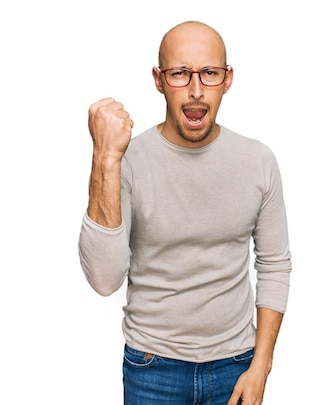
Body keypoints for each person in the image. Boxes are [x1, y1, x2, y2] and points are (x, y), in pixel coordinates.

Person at [78, 20, 292, 405]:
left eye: (209, 73)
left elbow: (275, 265)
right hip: (152, 368)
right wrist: (104, 159)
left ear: (227, 80)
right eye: (180, 74)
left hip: (236, 365)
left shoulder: (258, 161)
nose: (196, 91)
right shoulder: (127, 161)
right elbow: (104, 279)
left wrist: (261, 366)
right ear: (159, 80)